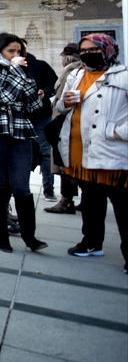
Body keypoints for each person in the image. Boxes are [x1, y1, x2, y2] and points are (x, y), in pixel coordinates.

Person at [0, 33, 49, 253]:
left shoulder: (23, 73)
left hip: (21, 133)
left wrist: (24, 79)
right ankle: (1, 236)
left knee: (21, 187)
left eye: (19, 52)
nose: (16, 56)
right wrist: (16, 72)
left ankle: (30, 236)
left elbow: (34, 105)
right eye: (11, 51)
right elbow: (2, 97)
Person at [55, 35, 127, 268]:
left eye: (94, 49)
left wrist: (116, 132)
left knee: (123, 206)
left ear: (108, 50)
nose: (87, 53)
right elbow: (59, 107)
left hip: (113, 152)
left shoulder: (123, 76)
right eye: (84, 49)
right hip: (80, 151)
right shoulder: (76, 75)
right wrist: (64, 102)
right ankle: (92, 242)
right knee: (92, 201)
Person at [47, 43, 86, 214]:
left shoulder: (73, 72)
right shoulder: (75, 71)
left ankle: (66, 201)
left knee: (66, 163)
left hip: (68, 124)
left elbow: (63, 100)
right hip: (69, 122)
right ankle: (81, 200)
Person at [23, 43, 59, 201]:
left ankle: (48, 189)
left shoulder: (40, 66)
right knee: (22, 154)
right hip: (20, 117)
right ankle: (22, 188)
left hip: (41, 115)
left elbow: (55, 84)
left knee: (45, 152)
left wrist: (45, 92)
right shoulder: (7, 68)